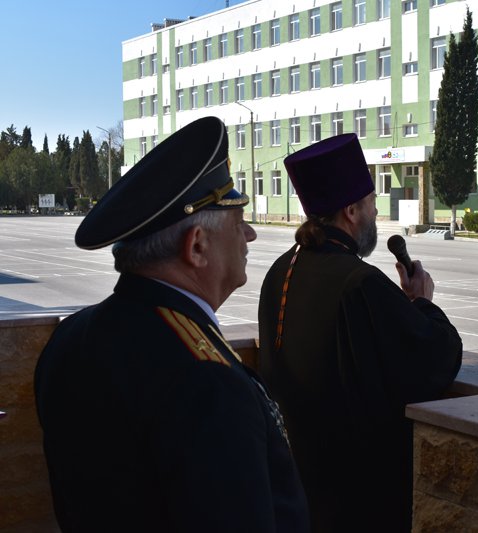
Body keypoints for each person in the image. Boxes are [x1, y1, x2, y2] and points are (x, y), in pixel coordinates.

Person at [34, 117, 310, 532]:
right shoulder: (207, 382)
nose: (250, 235)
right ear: (197, 245)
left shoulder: (71, 337)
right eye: (238, 223)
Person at [257, 134, 463, 533]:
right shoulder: (358, 282)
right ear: (351, 210)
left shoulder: (280, 271)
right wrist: (421, 302)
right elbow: (435, 358)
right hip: (354, 502)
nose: (374, 212)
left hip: (299, 490)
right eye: (371, 203)